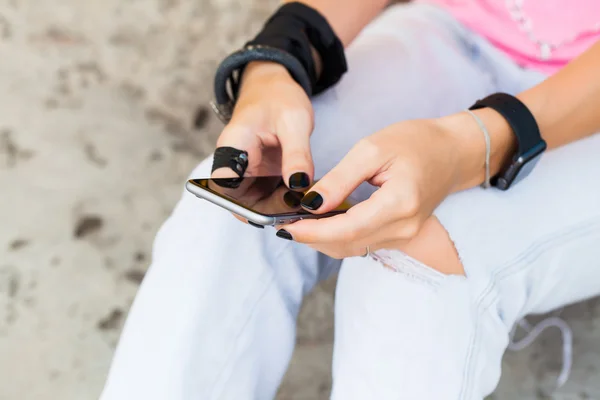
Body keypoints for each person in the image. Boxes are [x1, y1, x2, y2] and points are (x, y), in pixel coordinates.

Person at [101, 0, 600, 399]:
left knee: (417, 263)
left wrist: (475, 146)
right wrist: (279, 57)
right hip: (461, 27)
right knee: (237, 196)